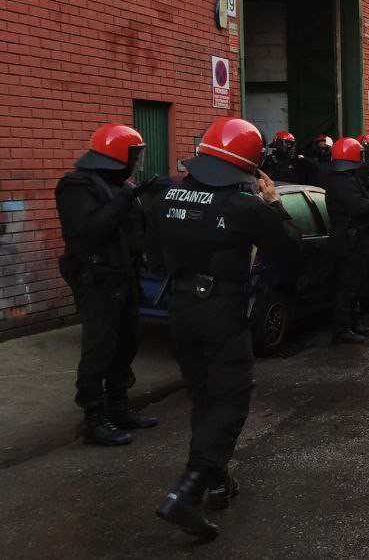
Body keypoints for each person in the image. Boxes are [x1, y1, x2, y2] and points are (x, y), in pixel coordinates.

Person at [148, 117, 300, 540]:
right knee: (230, 400)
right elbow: (288, 242)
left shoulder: (166, 192)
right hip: (220, 309)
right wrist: (272, 202)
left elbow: (151, 250)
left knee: (203, 396)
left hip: (179, 307)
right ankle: (186, 491)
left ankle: (217, 480)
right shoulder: (243, 205)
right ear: (249, 164)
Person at [54, 123, 156, 446]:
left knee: (126, 343)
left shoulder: (118, 184)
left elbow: (134, 230)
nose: (136, 162)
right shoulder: (76, 186)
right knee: (99, 348)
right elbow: (91, 231)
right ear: (115, 156)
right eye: (133, 154)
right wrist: (125, 198)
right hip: (96, 279)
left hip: (123, 276)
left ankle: (119, 406)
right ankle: (94, 419)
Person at [326, 136, 369, 344]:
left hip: (356, 240)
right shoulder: (340, 181)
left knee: (355, 284)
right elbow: (357, 206)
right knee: (347, 286)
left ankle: (353, 323)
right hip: (346, 241)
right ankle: (342, 329)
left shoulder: (348, 178)